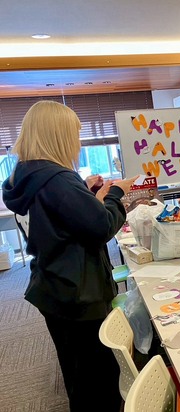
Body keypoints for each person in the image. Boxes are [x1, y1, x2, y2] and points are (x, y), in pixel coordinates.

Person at [2, 100, 138, 411]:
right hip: (78, 291)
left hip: (53, 283)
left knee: (76, 371)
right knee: (97, 378)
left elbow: (61, 222)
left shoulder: (24, 177)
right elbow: (100, 226)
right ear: (58, 136)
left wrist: (86, 195)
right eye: (74, 135)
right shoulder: (59, 179)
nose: (77, 143)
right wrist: (116, 194)